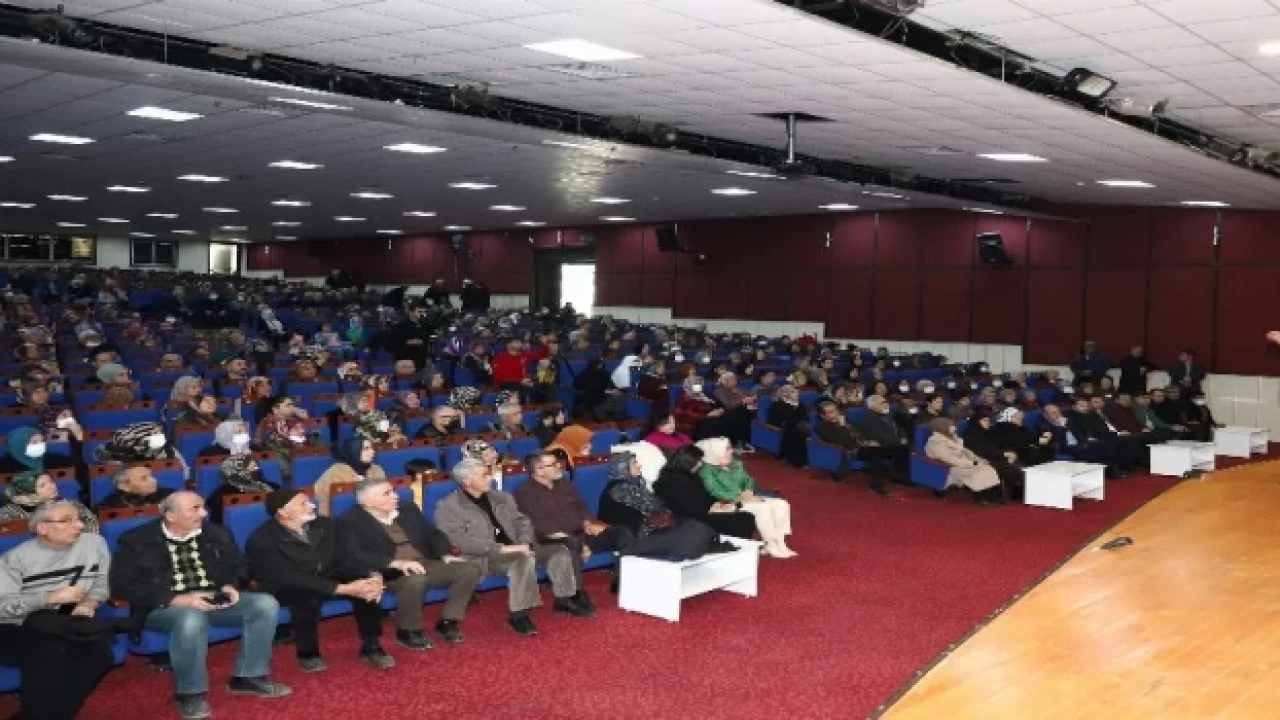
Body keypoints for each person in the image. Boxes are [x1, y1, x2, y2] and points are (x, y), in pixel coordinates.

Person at [111, 492, 290, 720]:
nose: (203, 513)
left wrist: (231, 585)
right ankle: (190, 693)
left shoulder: (217, 533)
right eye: (194, 509)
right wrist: (176, 599)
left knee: (264, 604)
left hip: (212, 598)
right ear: (170, 515)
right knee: (190, 618)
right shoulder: (136, 540)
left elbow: (242, 566)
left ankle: (249, 677)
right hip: (162, 607)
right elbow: (122, 585)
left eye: (203, 507)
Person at [434, 459, 591, 636]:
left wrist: (525, 543)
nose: (490, 478)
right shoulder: (448, 507)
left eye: (489, 473)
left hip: (517, 548)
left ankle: (564, 599)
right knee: (523, 560)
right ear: (467, 481)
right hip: (485, 556)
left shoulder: (501, 497)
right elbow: (460, 542)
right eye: (484, 475)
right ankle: (519, 614)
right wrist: (503, 549)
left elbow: (522, 522)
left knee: (559, 550)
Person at [333, 479, 485, 657]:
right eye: (387, 493)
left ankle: (448, 622)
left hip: (422, 562)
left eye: (392, 491)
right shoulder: (349, 521)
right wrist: (396, 563)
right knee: (415, 580)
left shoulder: (407, 508)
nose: (395, 496)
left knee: (469, 569)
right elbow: (354, 555)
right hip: (385, 571)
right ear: (368, 502)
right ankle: (408, 631)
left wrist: (444, 554)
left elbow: (432, 533)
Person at [0, 502, 117, 720]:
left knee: (101, 653)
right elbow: (2, 608)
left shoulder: (94, 544)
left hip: (67, 620)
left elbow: (103, 583)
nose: (79, 525)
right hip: (17, 626)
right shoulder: (15, 559)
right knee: (52, 646)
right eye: (67, 521)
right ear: (42, 528)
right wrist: (48, 598)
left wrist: (89, 602)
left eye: (79, 519)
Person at [246, 489, 385, 672]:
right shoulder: (262, 539)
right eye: (303, 503)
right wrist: (342, 588)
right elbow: (288, 576)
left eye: (309, 501)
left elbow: (347, 554)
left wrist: (371, 574)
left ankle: (371, 645)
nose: (312, 505)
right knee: (306, 596)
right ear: (283, 512)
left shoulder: (325, 525)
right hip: (284, 587)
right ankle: (308, 653)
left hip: (324, 575)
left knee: (364, 584)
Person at [513, 452, 634, 612]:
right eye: (553, 464)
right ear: (539, 470)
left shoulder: (564, 483)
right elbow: (545, 527)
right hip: (552, 540)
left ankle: (622, 579)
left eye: (558, 462)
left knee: (621, 532)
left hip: (580, 533)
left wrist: (587, 524)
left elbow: (581, 506)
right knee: (572, 543)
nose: (559, 466)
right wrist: (581, 544)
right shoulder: (525, 492)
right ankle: (574, 594)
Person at [696, 437, 796, 558]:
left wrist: (749, 491)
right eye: (727, 449)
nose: (731, 451)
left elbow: (749, 481)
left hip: (747, 498)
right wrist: (741, 497)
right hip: (726, 503)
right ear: (715, 452)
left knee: (781, 504)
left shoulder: (735, 464)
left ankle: (780, 543)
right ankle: (770, 544)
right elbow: (715, 491)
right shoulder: (706, 471)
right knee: (763, 508)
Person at [814, 401, 891, 496]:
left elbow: (856, 433)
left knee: (888, 448)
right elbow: (842, 442)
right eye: (830, 412)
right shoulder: (822, 427)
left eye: (836, 410)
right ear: (823, 416)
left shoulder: (844, 419)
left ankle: (890, 473)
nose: (836, 413)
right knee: (875, 455)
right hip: (845, 452)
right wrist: (842, 426)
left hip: (859, 447)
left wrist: (867, 442)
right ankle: (877, 486)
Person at [924, 418, 1003, 505]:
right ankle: (982, 497)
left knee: (988, 468)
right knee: (979, 471)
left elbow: (966, 452)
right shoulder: (935, 442)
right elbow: (948, 458)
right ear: (942, 427)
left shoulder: (953, 438)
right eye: (951, 426)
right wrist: (971, 463)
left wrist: (978, 459)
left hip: (962, 463)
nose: (954, 428)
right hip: (948, 467)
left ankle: (993, 496)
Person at [0, 470, 99, 531]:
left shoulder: (71, 505)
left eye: (51, 481)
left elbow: (92, 527)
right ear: (28, 493)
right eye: (42, 485)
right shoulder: (9, 514)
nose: (52, 486)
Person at [314, 436, 388, 517]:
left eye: (371, 448)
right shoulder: (335, 474)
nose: (373, 452)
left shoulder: (377, 469)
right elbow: (326, 504)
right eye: (366, 449)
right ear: (354, 451)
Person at [857, 395, 911, 484]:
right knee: (876, 451)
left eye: (886, 402)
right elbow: (881, 438)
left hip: (890, 444)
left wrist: (903, 437)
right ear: (873, 406)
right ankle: (877, 482)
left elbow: (900, 427)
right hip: (877, 447)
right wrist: (898, 442)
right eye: (882, 403)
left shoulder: (890, 414)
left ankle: (899, 475)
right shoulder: (870, 419)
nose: (886, 404)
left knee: (905, 449)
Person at [95, 463, 175, 510]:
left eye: (151, 476)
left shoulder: (170, 496)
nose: (154, 480)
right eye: (144, 478)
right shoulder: (107, 508)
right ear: (123, 486)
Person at [0, 426, 75, 474]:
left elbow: (73, 463)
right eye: (35, 442)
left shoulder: (49, 458)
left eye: (42, 441)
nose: (41, 445)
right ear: (19, 445)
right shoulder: (4, 466)